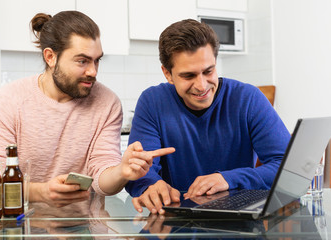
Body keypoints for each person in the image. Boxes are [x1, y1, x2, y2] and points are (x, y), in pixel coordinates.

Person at [0, 11, 174, 208]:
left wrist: (122, 171)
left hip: (85, 228)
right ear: (50, 57)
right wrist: (41, 192)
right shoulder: (9, 99)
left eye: (97, 60)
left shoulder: (107, 102)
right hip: (19, 224)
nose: (93, 71)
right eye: (82, 61)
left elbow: (101, 176)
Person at [125, 19, 291, 214]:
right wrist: (149, 185)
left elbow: (287, 168)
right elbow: (138, 170)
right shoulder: (152, 101)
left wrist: (229, 179)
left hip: (238, 225)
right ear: (167, 74)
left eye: (208, 71)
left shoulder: (248, 98)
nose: (202, 86)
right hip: (173, 223)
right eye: (188, 76)